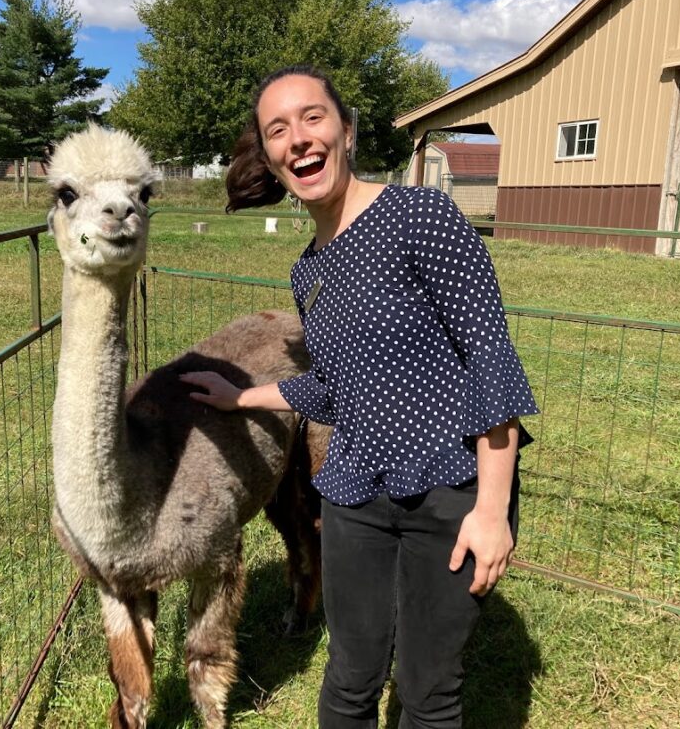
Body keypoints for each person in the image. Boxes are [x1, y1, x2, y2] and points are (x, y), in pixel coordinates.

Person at [179, 64, 539, 729]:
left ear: (346, 130)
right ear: (272, 159)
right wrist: (246, 398)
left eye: (312, 118)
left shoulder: (420, 216)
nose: (298, 139)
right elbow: (340, 390)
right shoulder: (309, 270)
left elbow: (490, 358)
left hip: (450, 488)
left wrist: (492, 510)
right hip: (353, 493)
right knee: (349, 680)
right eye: (277, 130)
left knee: (429, 691)